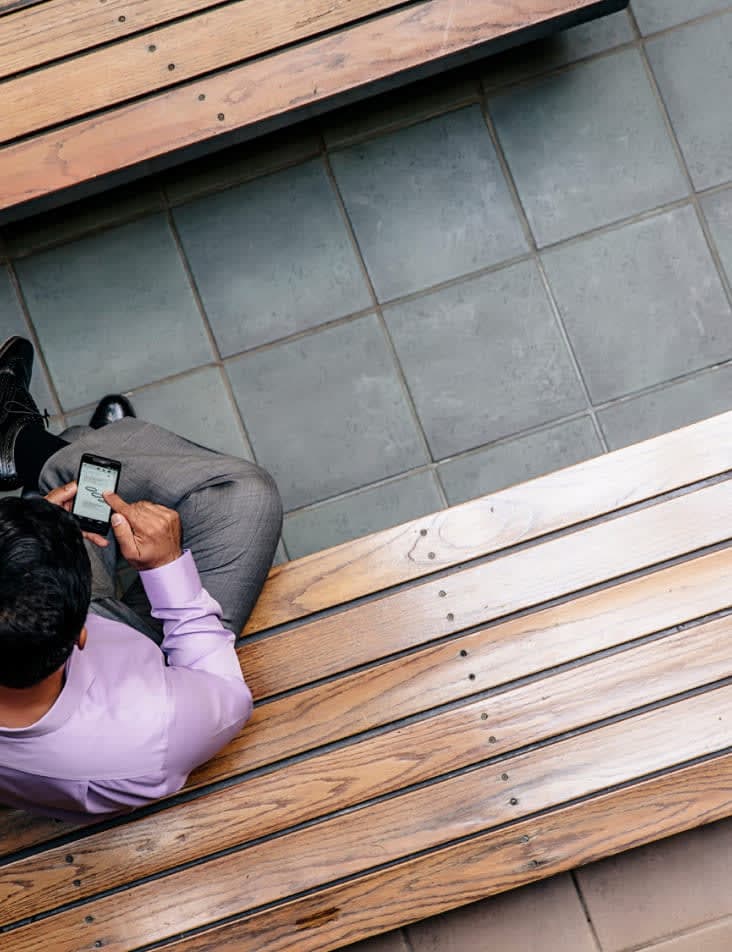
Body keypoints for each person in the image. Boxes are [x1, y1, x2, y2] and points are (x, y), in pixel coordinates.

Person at [0, 336, 282, 822]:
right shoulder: (153, 731)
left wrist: (27, 540)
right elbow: (227, 695)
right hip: (156, 675)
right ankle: (30, 444)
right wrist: (166, 570)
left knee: (80, 477)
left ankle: (34, 447)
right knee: (244, 497)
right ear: (80, 632)